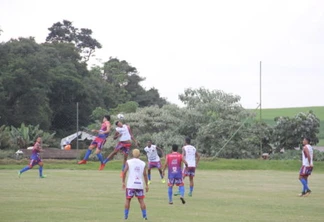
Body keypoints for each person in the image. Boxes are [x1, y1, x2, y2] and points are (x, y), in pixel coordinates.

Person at [122, 149, 149, 220]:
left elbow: (124, 172)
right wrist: (147, 185)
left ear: (132, 154)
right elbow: (145, 175)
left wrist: (123, 182)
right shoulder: (143, 163)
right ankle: (145, 216)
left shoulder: (129, 162)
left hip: (131, 185)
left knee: (128, 200)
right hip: (139, 185)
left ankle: (125, 216)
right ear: (139, 154)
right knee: (141, 201)